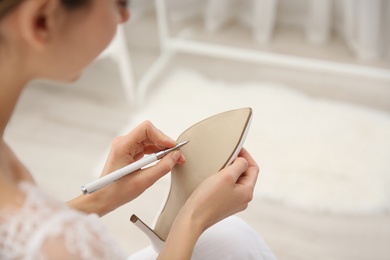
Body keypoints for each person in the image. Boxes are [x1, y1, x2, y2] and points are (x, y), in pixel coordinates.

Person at [0, 0, 276, 259]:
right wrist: (192, 219)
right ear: (43, 21)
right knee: (234, 240)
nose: (126, 16)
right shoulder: (54, 245)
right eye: (119, 2)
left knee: (232, 238)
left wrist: (99, 199)